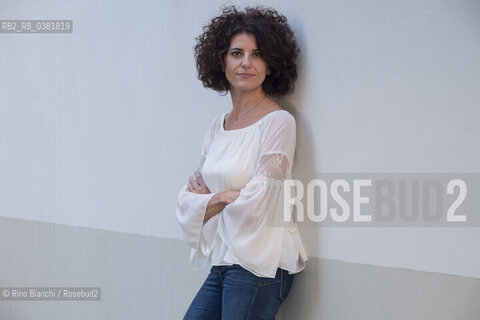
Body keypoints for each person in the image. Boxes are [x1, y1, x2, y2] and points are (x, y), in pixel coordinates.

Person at [175, 5, 308, 319]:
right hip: (225, 260)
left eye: (258, 54)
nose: (246, 63)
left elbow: (260, 200)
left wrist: (210, 200)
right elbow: (186, 200)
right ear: (221, 60)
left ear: (272, 64)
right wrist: (221, 197)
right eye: (237, 53)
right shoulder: (217, 127)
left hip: (261, 264)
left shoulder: (278, 123)